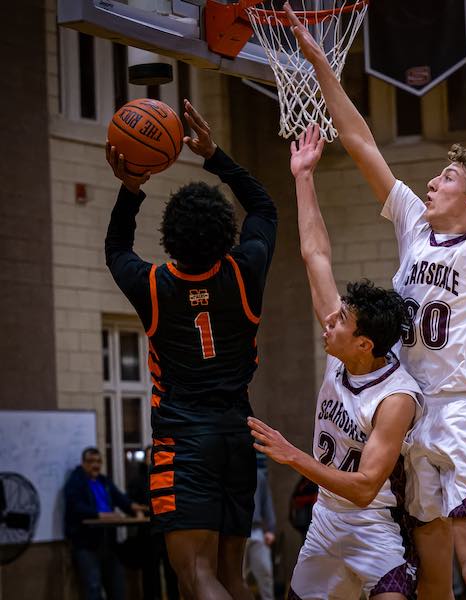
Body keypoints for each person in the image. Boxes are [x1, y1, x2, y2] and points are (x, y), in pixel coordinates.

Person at [284, 5, 466, 598]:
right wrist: (319, 64)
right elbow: (360, 141)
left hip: (461, 414)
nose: (433, 182)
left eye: (447, 177)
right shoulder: (414, 225)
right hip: (407, 410)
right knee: (432, 572)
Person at [105, 99, 278, 600]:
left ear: (171, 237)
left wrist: (131, 185)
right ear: (225, 234)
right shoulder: (245, 270)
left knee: (197, 577)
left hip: (184, 440)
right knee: (231, 577)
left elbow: (116, 249)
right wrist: (215, 155)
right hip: (237, 433)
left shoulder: (155, 286)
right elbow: (264, 207)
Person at [249, 124, 423, 600]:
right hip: (325, 523)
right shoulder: (339, 354)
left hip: (374, 526)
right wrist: (304, 176)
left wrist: (293, 456)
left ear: (364, 342)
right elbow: (316, 255)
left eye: (341, 319)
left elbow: (367, 486)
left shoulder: (397, 397)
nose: (329, 321)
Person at [64, 447, 146, 600]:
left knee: (117, 586)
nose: (95, 465)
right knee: (93, 586)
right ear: (83, 463)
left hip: (107, 541)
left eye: (98, 461)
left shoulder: (104, 481)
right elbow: (76, 506)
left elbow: (121, 499)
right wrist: (100, 515)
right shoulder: (76, 481)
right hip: (86, 543)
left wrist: (136, 508)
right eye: (91, 462)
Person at [128, 446, 179, 600]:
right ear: (145, 459)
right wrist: (140, 509)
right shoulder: (138, 479)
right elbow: (131, 502)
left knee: (172, 571)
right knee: (150, 571)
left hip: (167, 528)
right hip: (147, 530)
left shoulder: (169, 477)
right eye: (150, 456)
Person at [244, 452, 277, 600]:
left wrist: (270, 529)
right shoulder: (229, 476)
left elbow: (267, 503)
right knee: (237, 576)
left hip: (256, 530)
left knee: (265, 572)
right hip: (236, 532)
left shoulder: (259, 477)